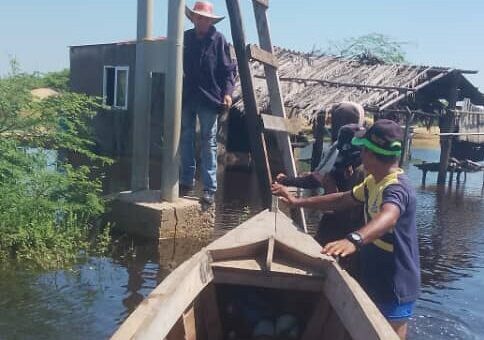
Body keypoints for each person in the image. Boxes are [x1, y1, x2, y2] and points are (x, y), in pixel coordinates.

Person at [272, 119, 420, 339]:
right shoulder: (373, 182)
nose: (361, 155)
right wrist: (296, 202)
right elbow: (342, 200)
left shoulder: (396, 188)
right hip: (374, 272)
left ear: (369, 154)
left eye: (363, 150)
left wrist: (353, 240)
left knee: (389, 334)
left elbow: (388, 217)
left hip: (396, 282)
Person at [180, 1, 236, 204]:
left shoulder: (218, 39)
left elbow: (229, 70)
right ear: (193, 18)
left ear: (211, 21)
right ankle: (186, 182)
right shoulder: (185, 38)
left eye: (206, 18)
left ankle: (209, 189)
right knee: (185, 138)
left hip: (210, 97)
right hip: (187, 96)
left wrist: (228, 93)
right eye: (199, 17)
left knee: (208, 141)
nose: (202, 21)